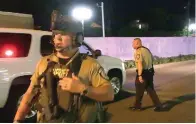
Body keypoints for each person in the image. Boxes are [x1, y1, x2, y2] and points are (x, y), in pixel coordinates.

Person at [13, 10, 114, 123]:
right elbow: (30, 93)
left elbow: (109, 94)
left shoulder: (90, 65)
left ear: (78, 38)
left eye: (64, 34)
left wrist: (83, 89)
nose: (58, 38)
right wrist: (17, 120)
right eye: (55, 34)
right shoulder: (44, 63)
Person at [130, 38, 163, 111]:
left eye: (133, 43)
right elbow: (152, 60)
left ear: (137, 43)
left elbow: (139, 64)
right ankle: (158, 105)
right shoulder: (147, 50)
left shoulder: (138, 51)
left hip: (143, 73)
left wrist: (139, 75)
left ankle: (137, 106)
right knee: (150, 89)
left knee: (139, 90)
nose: (132, 45)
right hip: (150, 72)